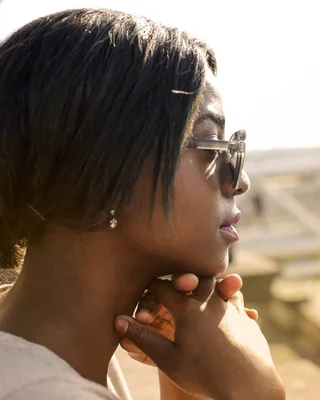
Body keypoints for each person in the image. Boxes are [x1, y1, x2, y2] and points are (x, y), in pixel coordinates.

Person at [0, 8, 285, 400]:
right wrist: (254, 393)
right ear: (106, 169)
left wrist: (188, 381)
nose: (240, 181)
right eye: (212, 145)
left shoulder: (41, 352)